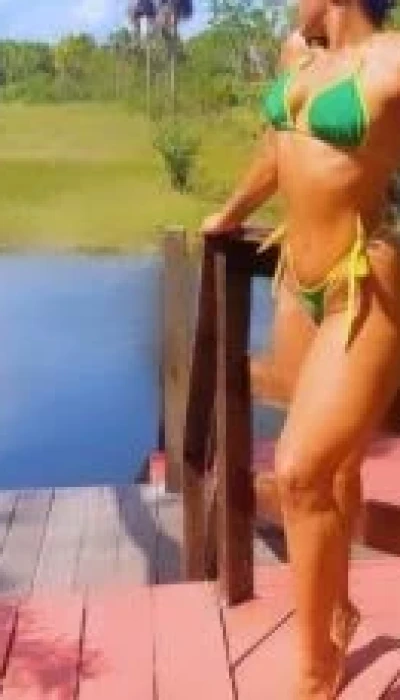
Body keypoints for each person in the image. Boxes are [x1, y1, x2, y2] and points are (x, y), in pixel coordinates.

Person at [199, 3, 400, 698]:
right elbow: (275, 150)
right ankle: (337, 613)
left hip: (362, 286)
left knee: (299, 471)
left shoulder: (392, 62)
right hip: (297, 283)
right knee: (333, 470)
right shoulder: (298, 55)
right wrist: (230, 216)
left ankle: (314, 676)